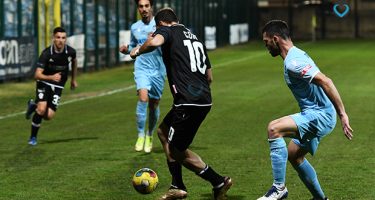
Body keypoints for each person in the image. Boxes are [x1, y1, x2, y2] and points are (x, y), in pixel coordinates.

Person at [130, 8, 232, 200]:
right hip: (202, 99)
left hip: (188, 103)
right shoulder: (194, 37)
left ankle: (218, 181)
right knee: (162, 132)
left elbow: (154, 42)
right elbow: (209, 76)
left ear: (160, 24)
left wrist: (138, 50)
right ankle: (177, 185)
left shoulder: (166, 31)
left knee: (177, 151)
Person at [258, 20, 353, 200]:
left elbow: (326, 81)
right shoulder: (296, 54)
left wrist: (343, 114)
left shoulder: (294, 62)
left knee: (274, 128)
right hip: (317, 113)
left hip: (320, 115)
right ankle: (320, 199)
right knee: (295, 155)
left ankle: (279, 188)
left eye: (266, 42)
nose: (266, 46)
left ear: (275, 39)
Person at [119, 0, 166, 153]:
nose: (144, 9)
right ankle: (140, 135)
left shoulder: (159, 24)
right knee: (143, 98)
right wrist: (127, 50)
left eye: (147, 6)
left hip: (158, 70)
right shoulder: (135, 27)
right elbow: (134, 46)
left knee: (154, 105)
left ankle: (149, 134)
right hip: (142, 68)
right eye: (141, 6)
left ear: (151, 7)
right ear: (138, 8)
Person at [25, 27, 78, 146]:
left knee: (48, 116)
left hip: (59, 85)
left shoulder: (70, 52)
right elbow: (37, 74)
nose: (61, 40)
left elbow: (74, 61)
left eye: (63, 38)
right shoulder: (46, 53)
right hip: (44, 82)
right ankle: (33, 137)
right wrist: (51, 77)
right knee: (42, 109)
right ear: (53, 38)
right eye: (58, 37)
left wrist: (73, 79)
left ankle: (33, 106)